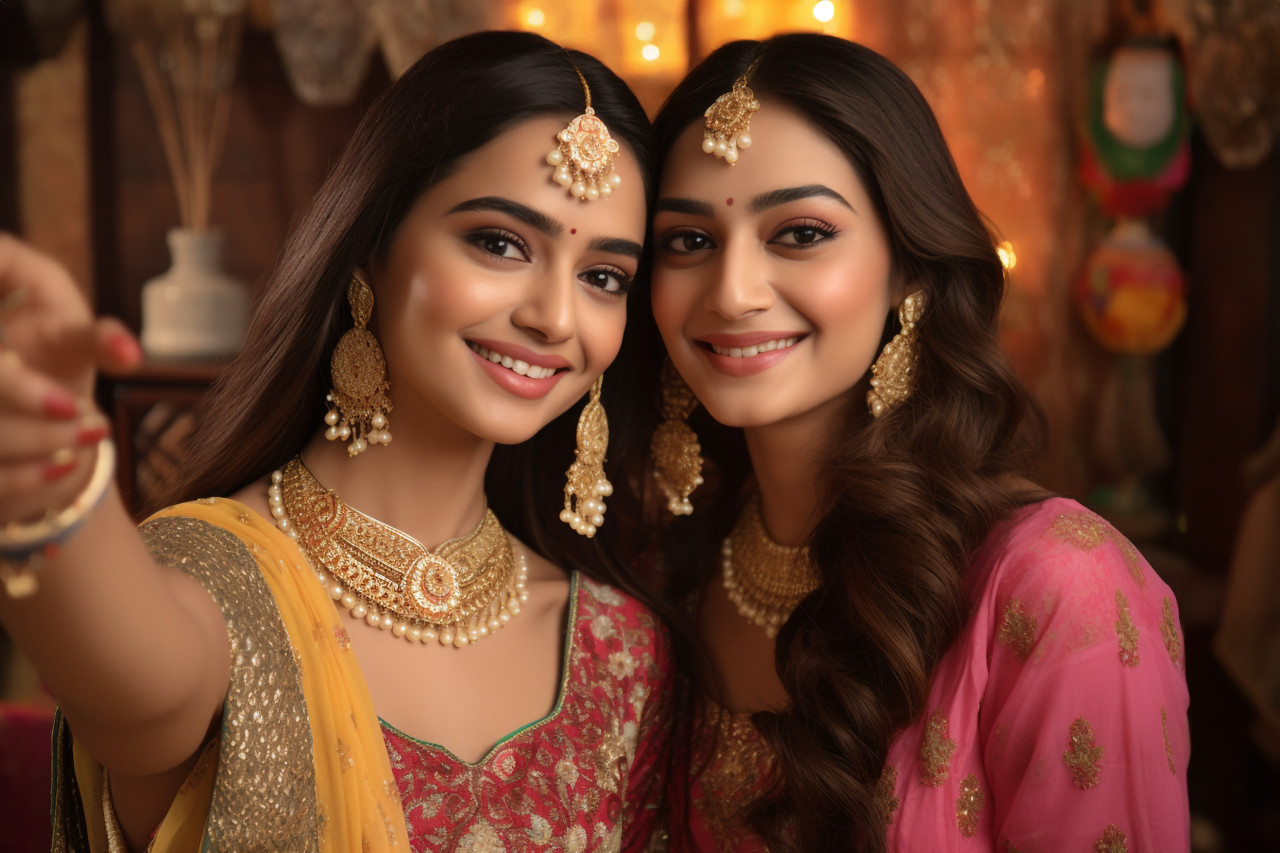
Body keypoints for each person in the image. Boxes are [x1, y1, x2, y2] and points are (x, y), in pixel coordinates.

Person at [0, 30, 671, 852]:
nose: (556, 317)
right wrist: (52, 483)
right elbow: (131, 686)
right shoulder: (219, 584)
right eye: (499, 242)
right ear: (371, 248)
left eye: (604, 276)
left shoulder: (620, 648)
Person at [638, 34, 1190, 852]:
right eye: (689, 241)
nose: (732, 292)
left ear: (909, 269)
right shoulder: (660, 572)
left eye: (799, 232)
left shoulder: (1054, 585)